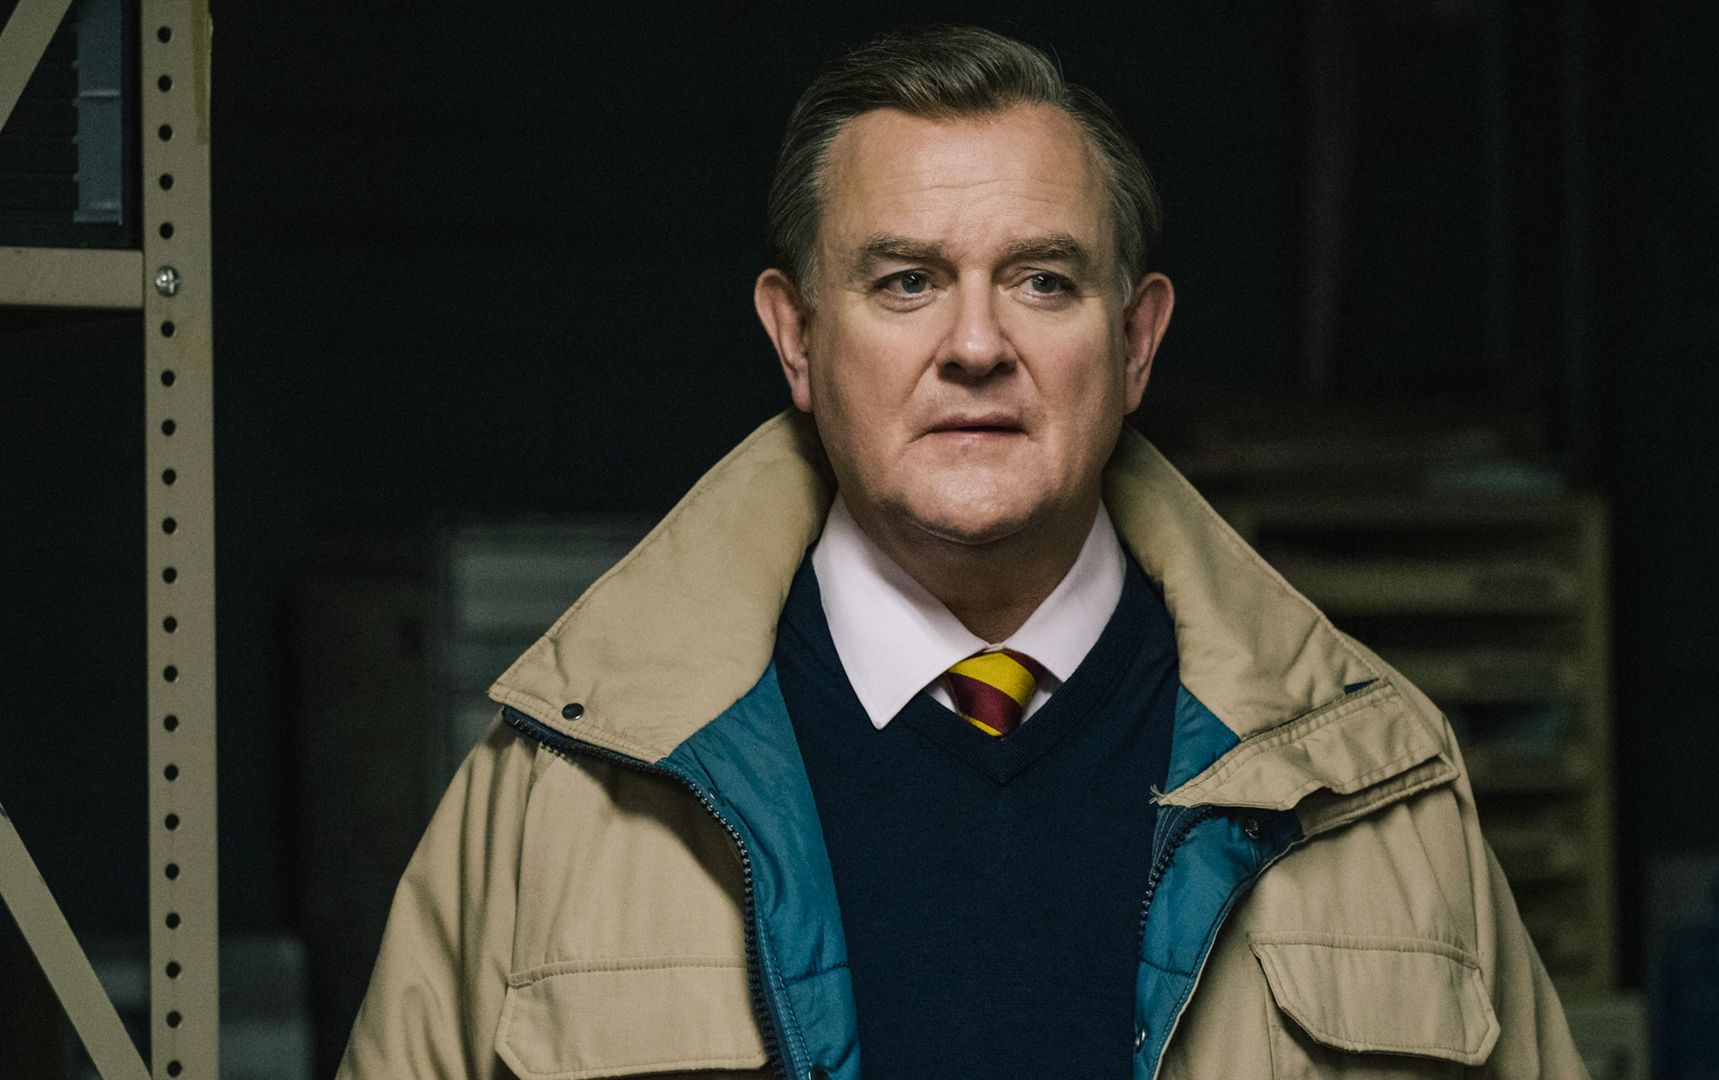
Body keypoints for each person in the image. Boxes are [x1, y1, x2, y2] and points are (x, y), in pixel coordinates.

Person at [339, 25, 1587, 1080]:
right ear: (796, 339)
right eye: (906, 282)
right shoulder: (561, 796)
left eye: (1042, 281)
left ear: (1137, 342)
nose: (978, 345)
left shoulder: (1371, 788)